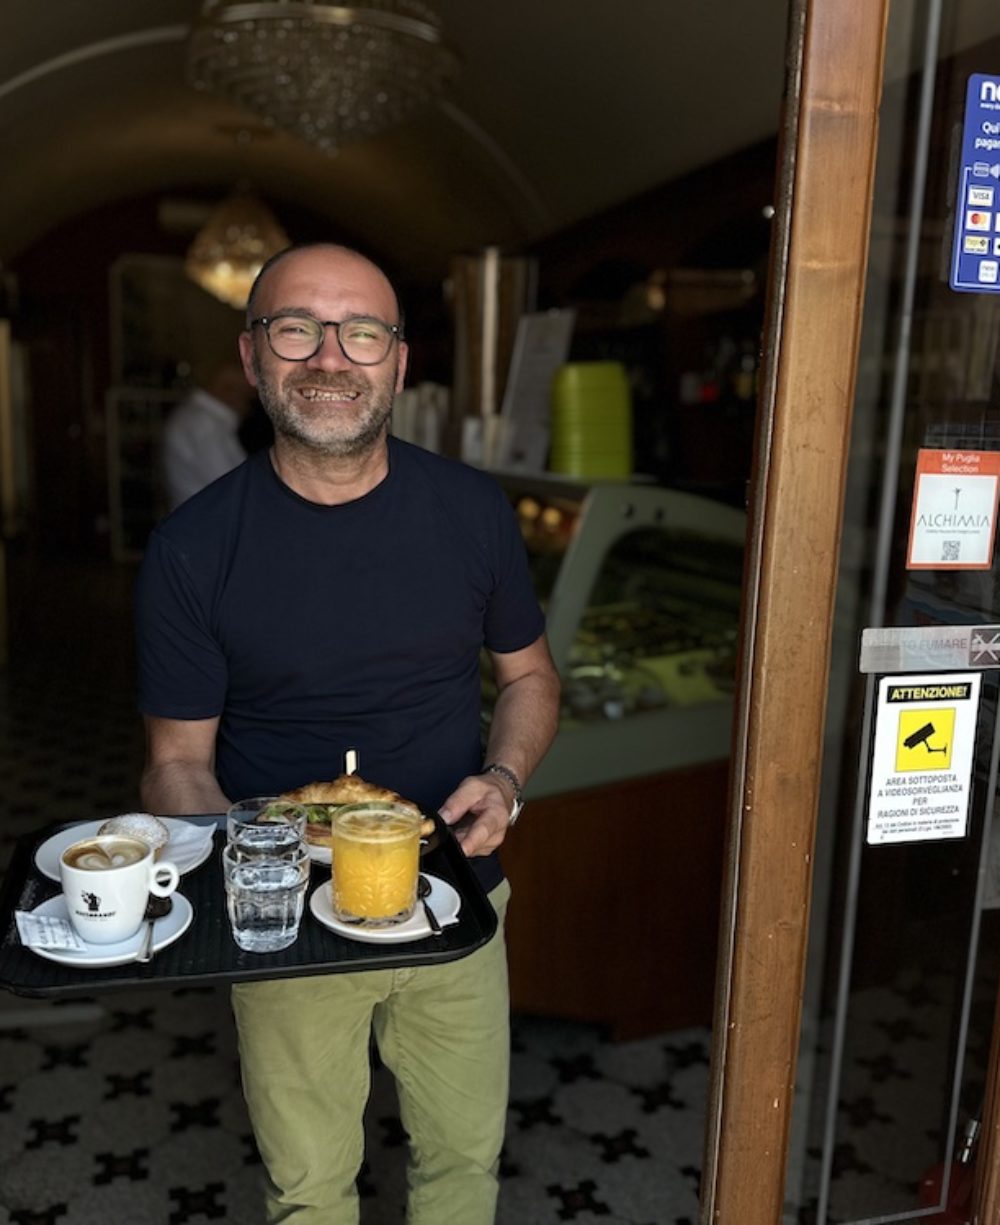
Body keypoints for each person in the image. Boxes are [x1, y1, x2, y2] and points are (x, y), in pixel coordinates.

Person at [134, 242, 561, 1224]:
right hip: (282, 929)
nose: (330, 356)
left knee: (461, 1169)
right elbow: (176, 763)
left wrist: (502, 774)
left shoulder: (471, 511)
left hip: (453, 903)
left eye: (361, 331)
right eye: (296, 327)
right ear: (252, 357)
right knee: (309, 1191)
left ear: (398, 362)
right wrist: (248, 853)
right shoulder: (192, 548)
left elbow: (531, 680)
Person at [161, 360, 255, 508]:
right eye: (246, 397)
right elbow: (231, 486)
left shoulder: (197, 417)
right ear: (230, 391)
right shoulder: (204, 425)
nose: (247, 406)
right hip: (206, 522)